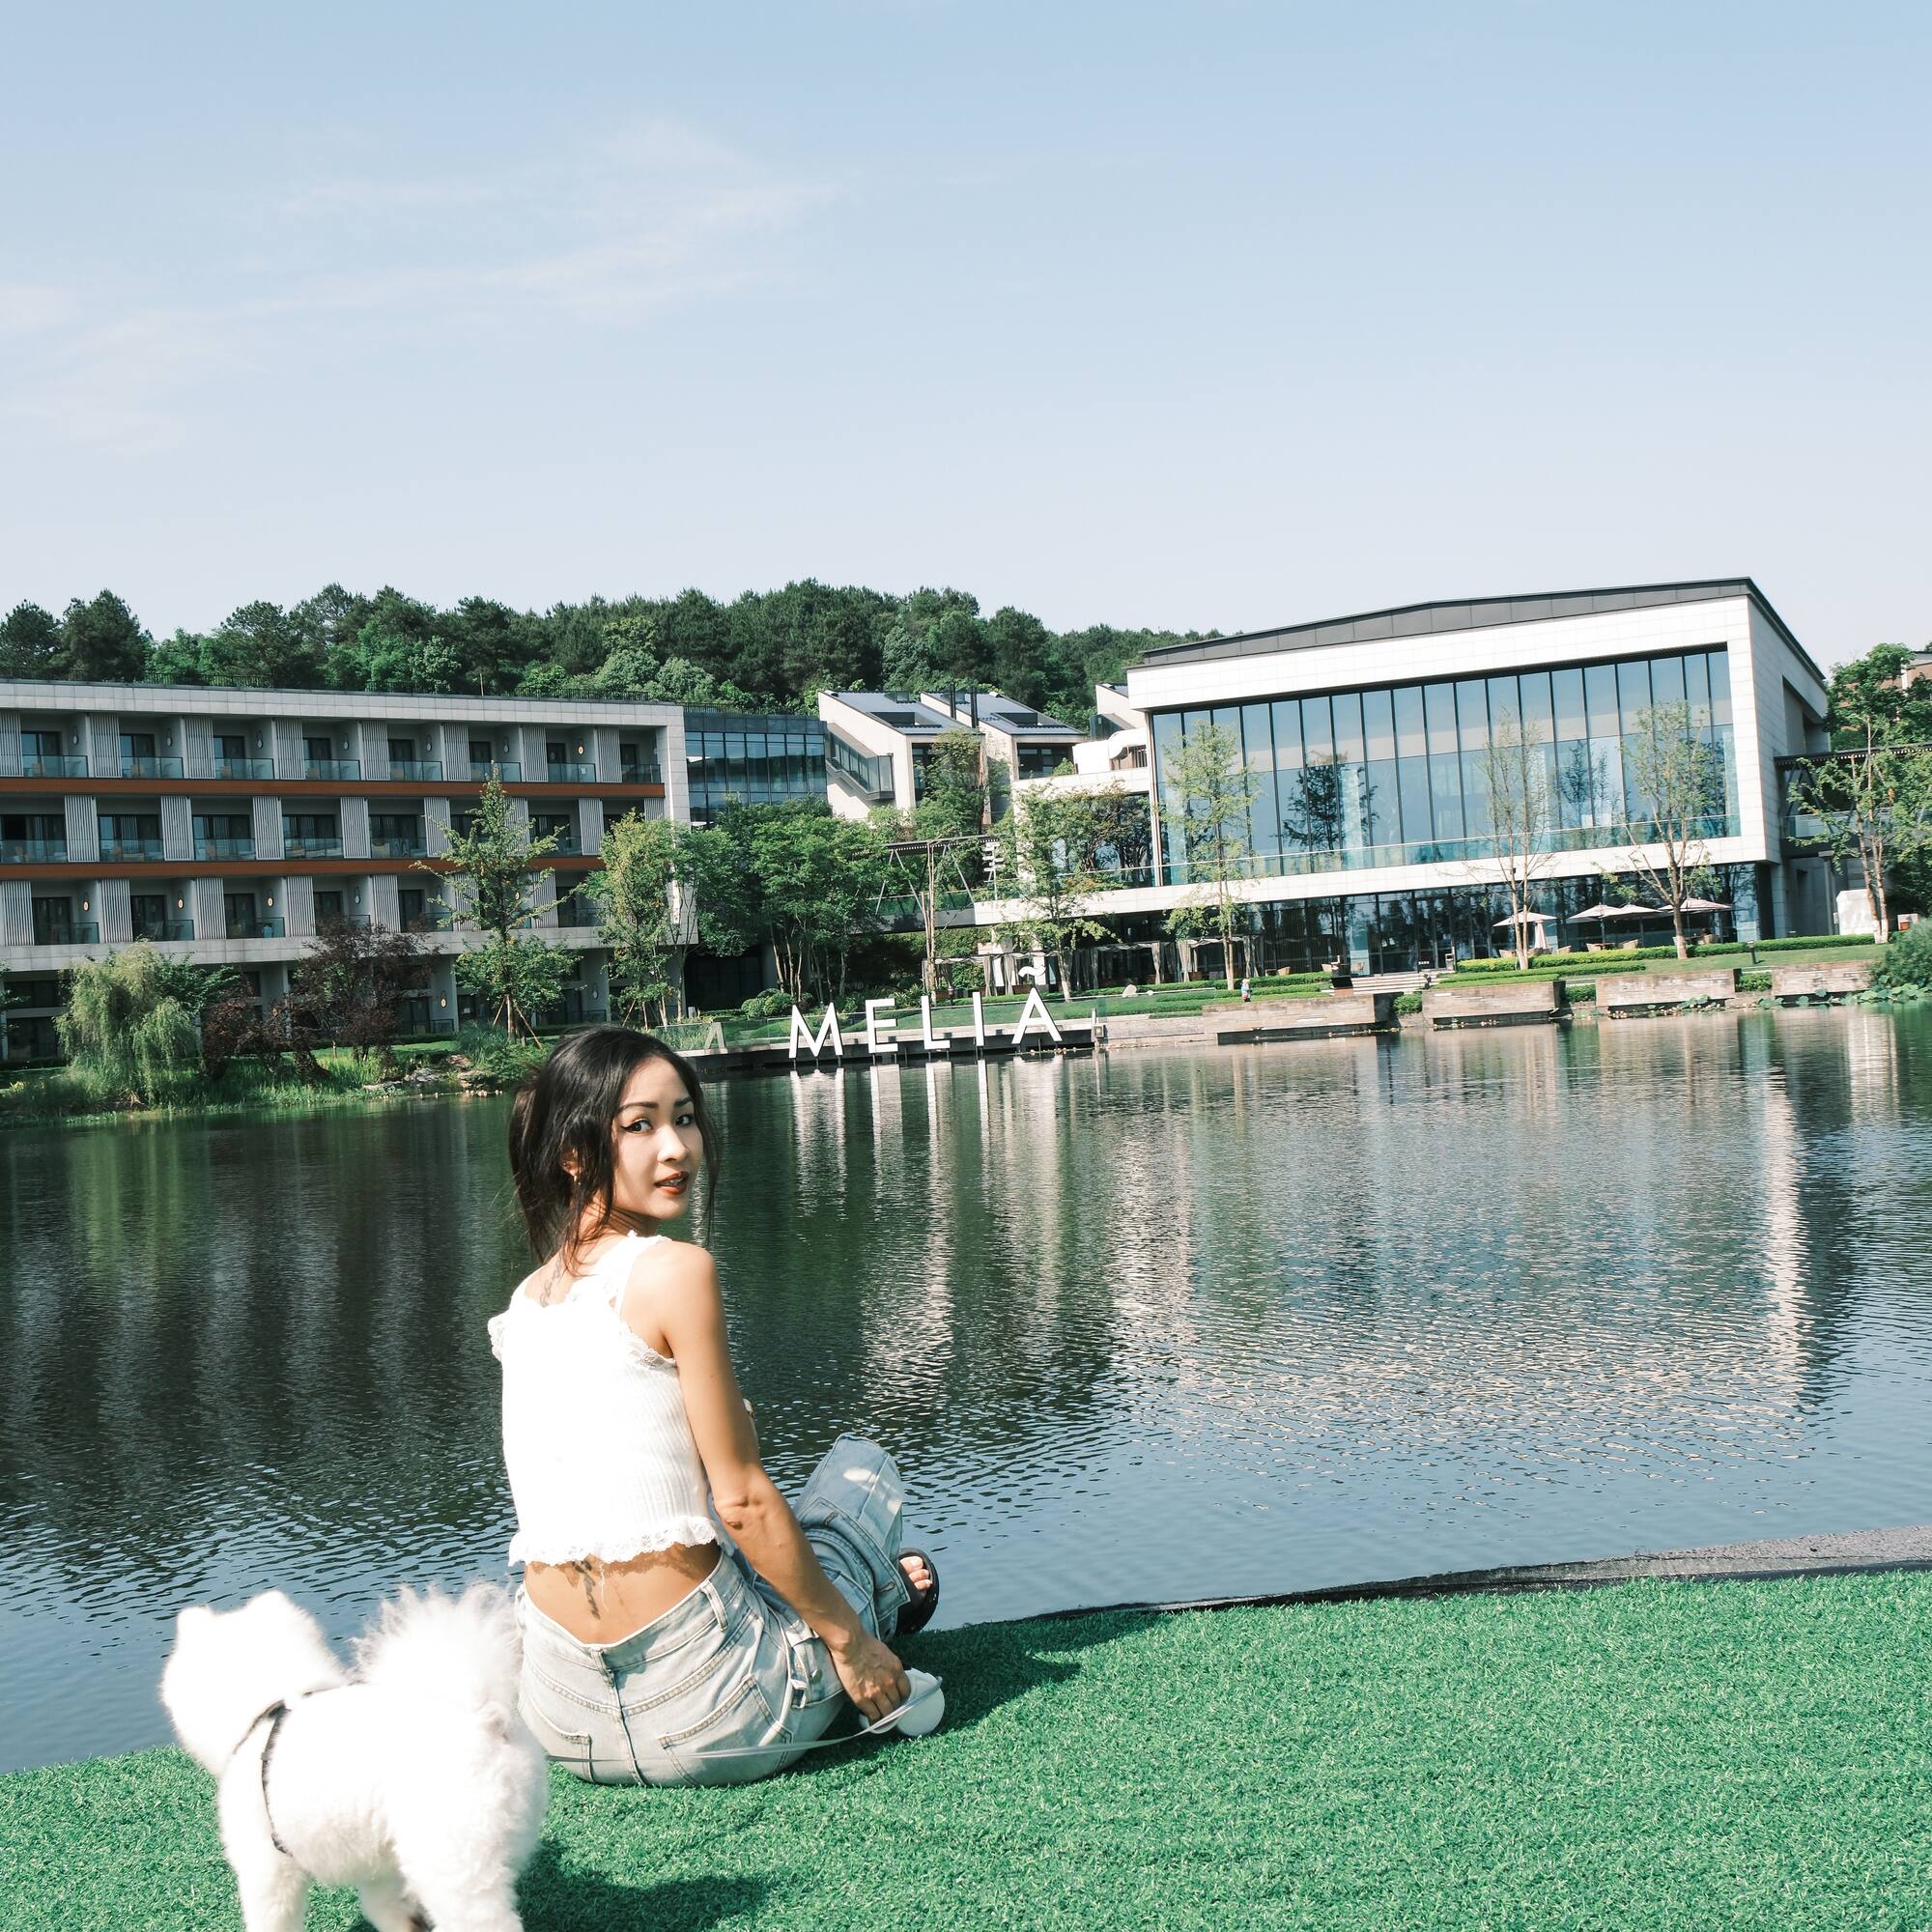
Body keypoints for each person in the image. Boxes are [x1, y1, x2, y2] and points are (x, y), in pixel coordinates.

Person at [490, 1026, 939, 1786]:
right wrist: (854, 1651)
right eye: (640, 1126)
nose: (677, 1148)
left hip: (565, 1724)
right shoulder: (675, 1270)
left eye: (685, 1118)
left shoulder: (525, 1303)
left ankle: (876, 1586)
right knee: (861, 1475)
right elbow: (742, 1503)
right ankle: (886, 1593)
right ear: (572, 1153)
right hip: (718, 1714)